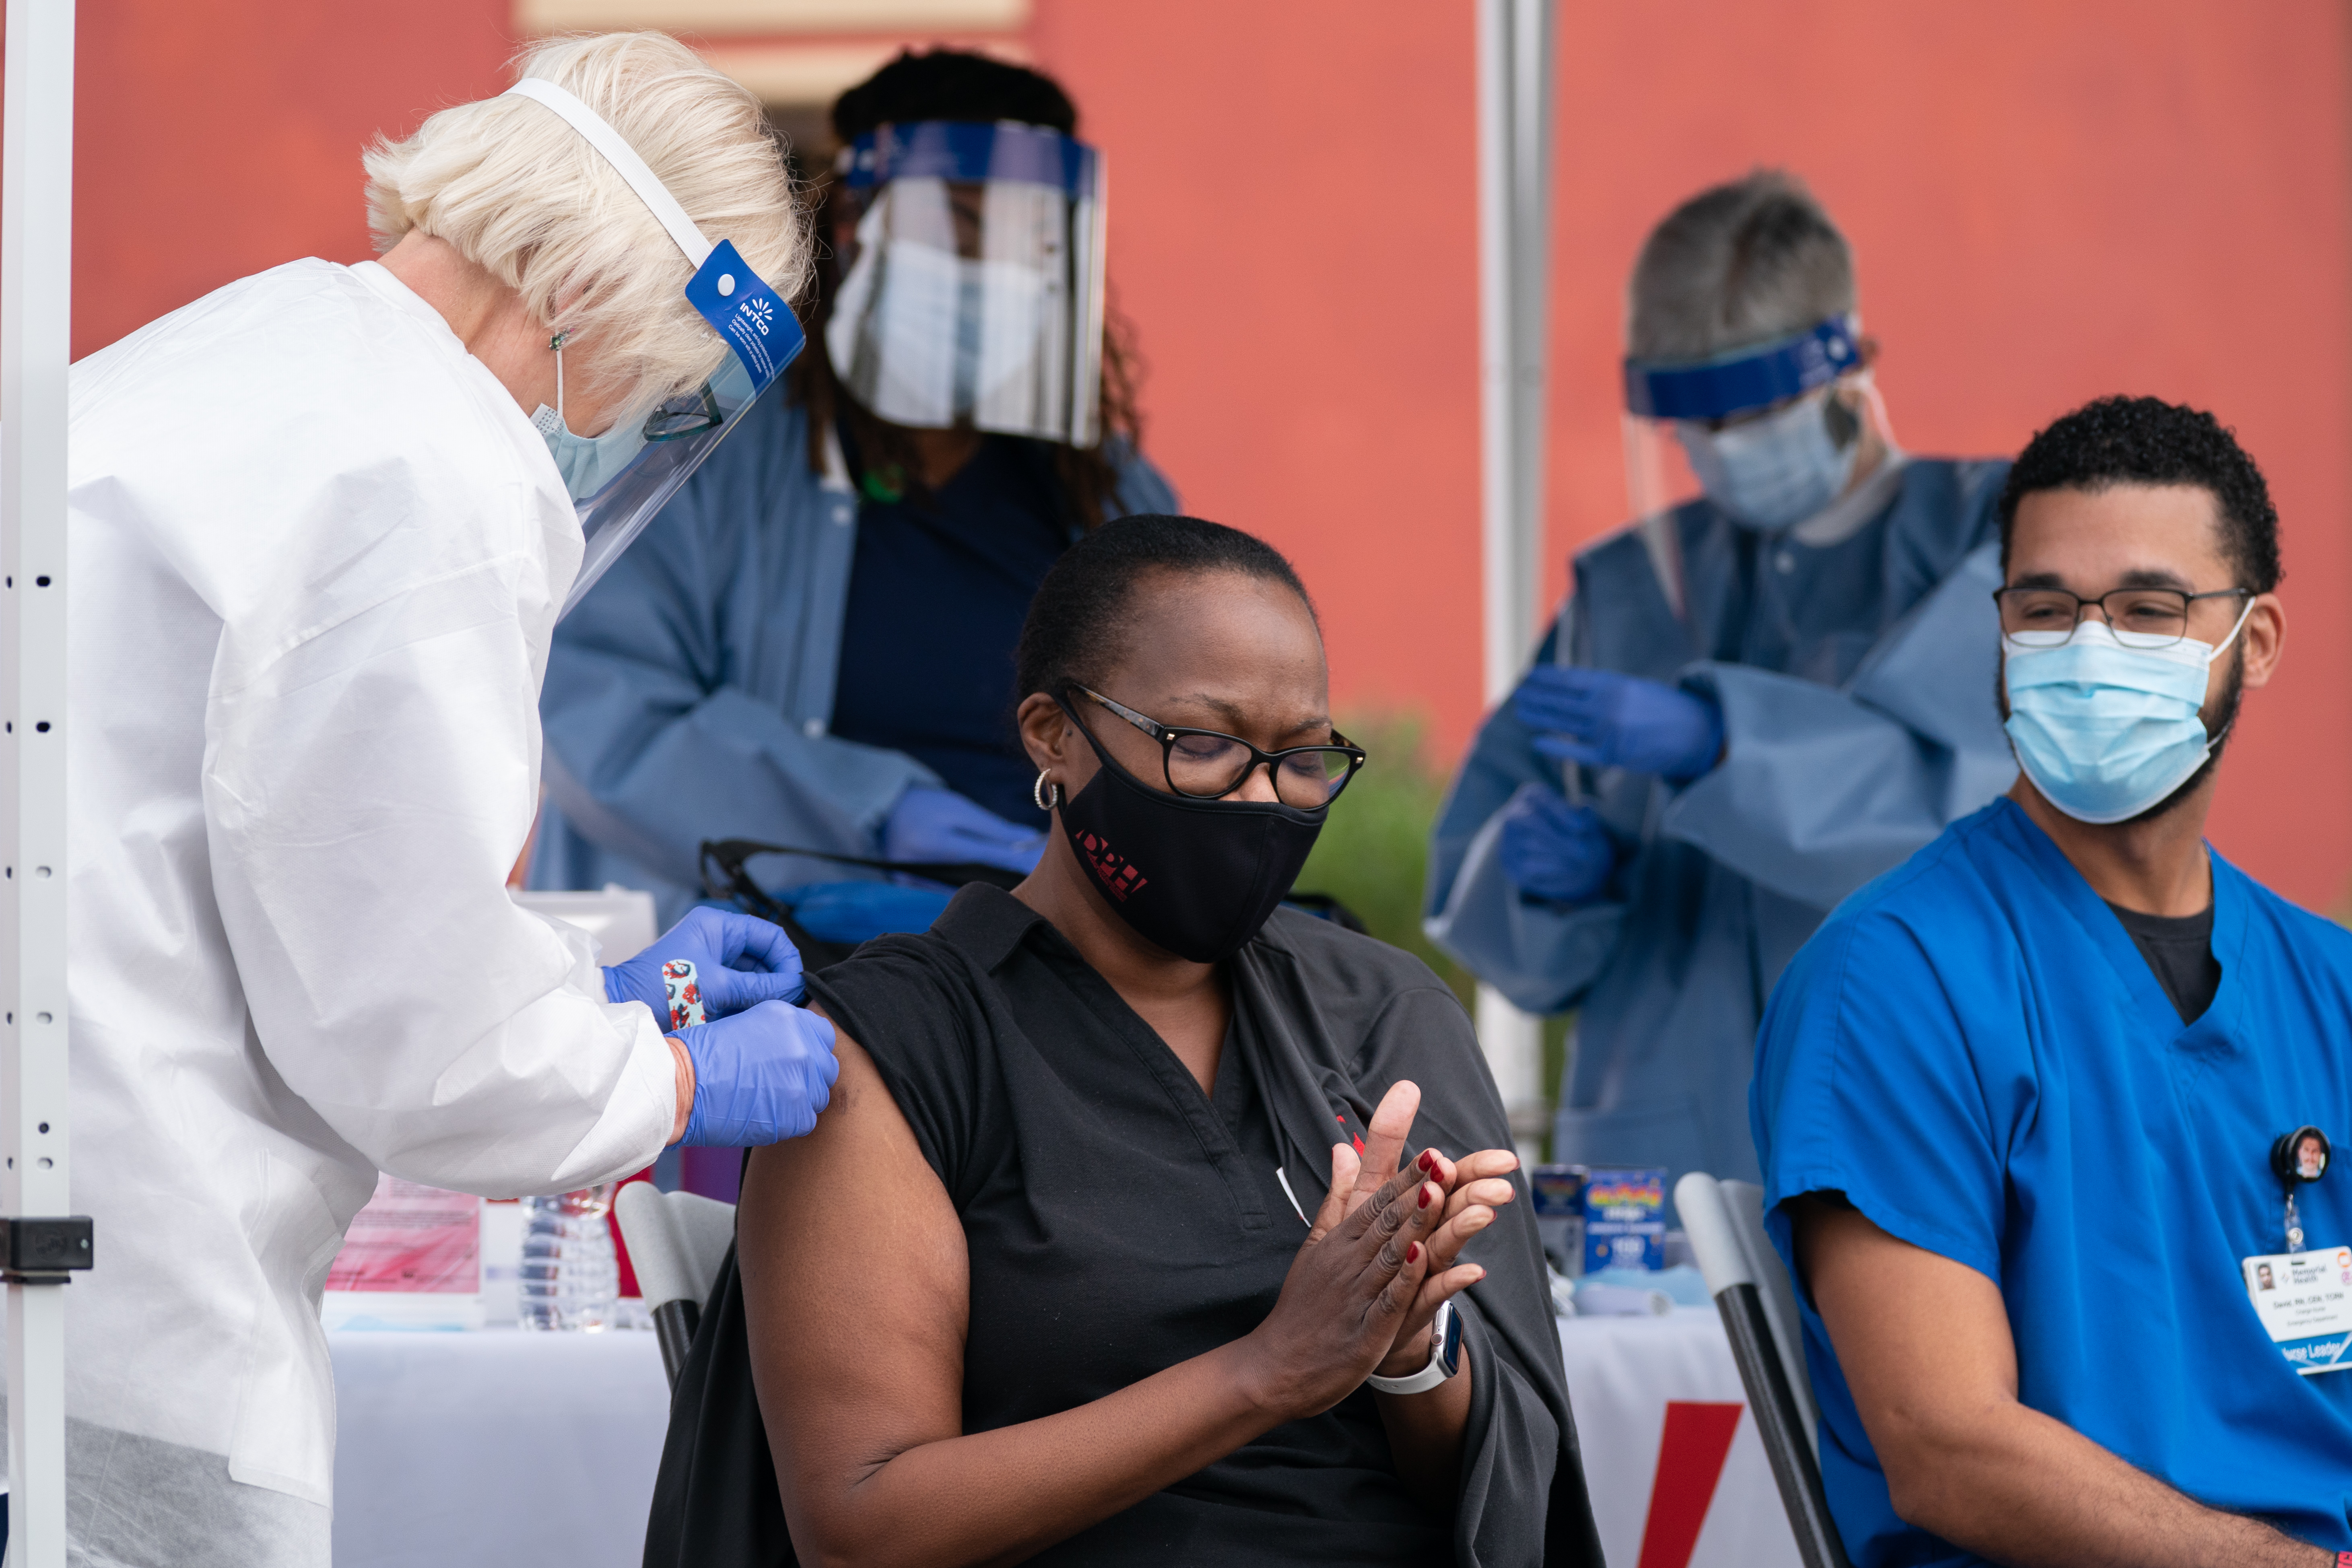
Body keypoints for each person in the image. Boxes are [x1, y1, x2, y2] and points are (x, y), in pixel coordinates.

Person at [66, 34, 841, 1565]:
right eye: (662, 397)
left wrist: (599, 993)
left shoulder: (262, 345)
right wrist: (668, 1081)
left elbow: (291, 873)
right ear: (584, 298)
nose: (632, 432)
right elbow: (412, 1037)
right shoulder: (440, 479)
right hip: (125, 1301)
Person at [642, 517, 1602, 1566]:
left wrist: (1405, 1351)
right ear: (1053, 734)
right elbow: (862, 1521)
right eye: (1203, 746)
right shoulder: (897, 1047)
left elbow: (1494, 1493)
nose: (1260, 799)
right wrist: (1267, 1370)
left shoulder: (1377, 1015)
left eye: (1302, 759)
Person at [1754, 396, 2352, 1564]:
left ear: (2258, 640)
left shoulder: (2327, 988)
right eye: (2042, 609)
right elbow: (1945, 1445)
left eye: (2146, 609)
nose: (2086, 649)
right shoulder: (1893, 981)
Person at [1426, 171, 2017, 1192]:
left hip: (1908, 1110)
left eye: (1758, 410)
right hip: (1651, 1148)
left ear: (1849, 362)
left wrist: (1722, 743)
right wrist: (1550, 888)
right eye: (1696, 423)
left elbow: (1965, 810)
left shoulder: (1995, 538)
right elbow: (1486, 912)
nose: (1726, 449)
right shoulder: (1622, 595)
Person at [528, 49, 1176, 933]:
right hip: (763, 979)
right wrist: (870, 815)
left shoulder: (1115, 499)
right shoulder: (702, 445)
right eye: (954, 223)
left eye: (1033, 237)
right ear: (853, 220)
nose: (992, 268)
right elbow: (598, 714)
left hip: (1056, 966)